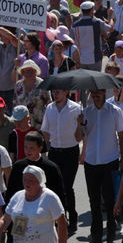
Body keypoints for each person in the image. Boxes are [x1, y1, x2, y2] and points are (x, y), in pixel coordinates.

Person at [81, 87, 123, 243]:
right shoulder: (85, 112)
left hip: (110, 160)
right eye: (93, 92)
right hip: (91, 161)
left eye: (98, 92)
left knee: (109, 199)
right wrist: (78, 124)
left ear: (104, 93)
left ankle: (112, 228)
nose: (95, 95)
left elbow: (122, 135)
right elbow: (78, 137)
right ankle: (96, 233)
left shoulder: (115, 111)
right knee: (93, 200)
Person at [40, 88, 83, 234]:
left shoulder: (76, 108)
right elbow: (45, 131)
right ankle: (60, 218)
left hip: (70, 152)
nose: (55, 94)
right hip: (54, 152)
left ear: (66, 92)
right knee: (55, 186)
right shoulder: (50, 108)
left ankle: (73, 216)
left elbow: (79, 137)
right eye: (54, 92)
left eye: (58, 91)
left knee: (67, 186)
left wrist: (79, 124)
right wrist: (43, 151)